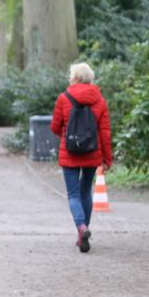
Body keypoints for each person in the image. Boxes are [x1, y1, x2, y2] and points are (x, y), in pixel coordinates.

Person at [50, 62, 112, 253]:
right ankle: (82, 234)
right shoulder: (100, 100)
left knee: (74, 195)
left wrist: (68, 135)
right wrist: (107, 159)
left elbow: (54, 127)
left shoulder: (64, 98)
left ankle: (81, 227)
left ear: (75, 78)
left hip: (70, 153)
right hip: (92, 153)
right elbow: (105, 133)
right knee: (86, 193)